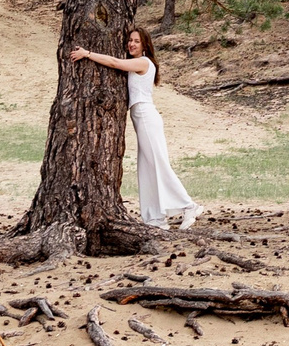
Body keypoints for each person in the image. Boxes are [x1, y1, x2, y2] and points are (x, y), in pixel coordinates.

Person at [67, 28, 202, 228]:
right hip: (141, 118)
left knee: (158, 164)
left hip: (146, 117)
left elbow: (115, 63)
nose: (131, 44)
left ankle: (188, 205)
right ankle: (154, 218)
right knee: (147, 169)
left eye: (136, 41)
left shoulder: (143, 62)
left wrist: (87, 54)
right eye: (130, 40)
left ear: (145, 45)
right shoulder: (140, 62)